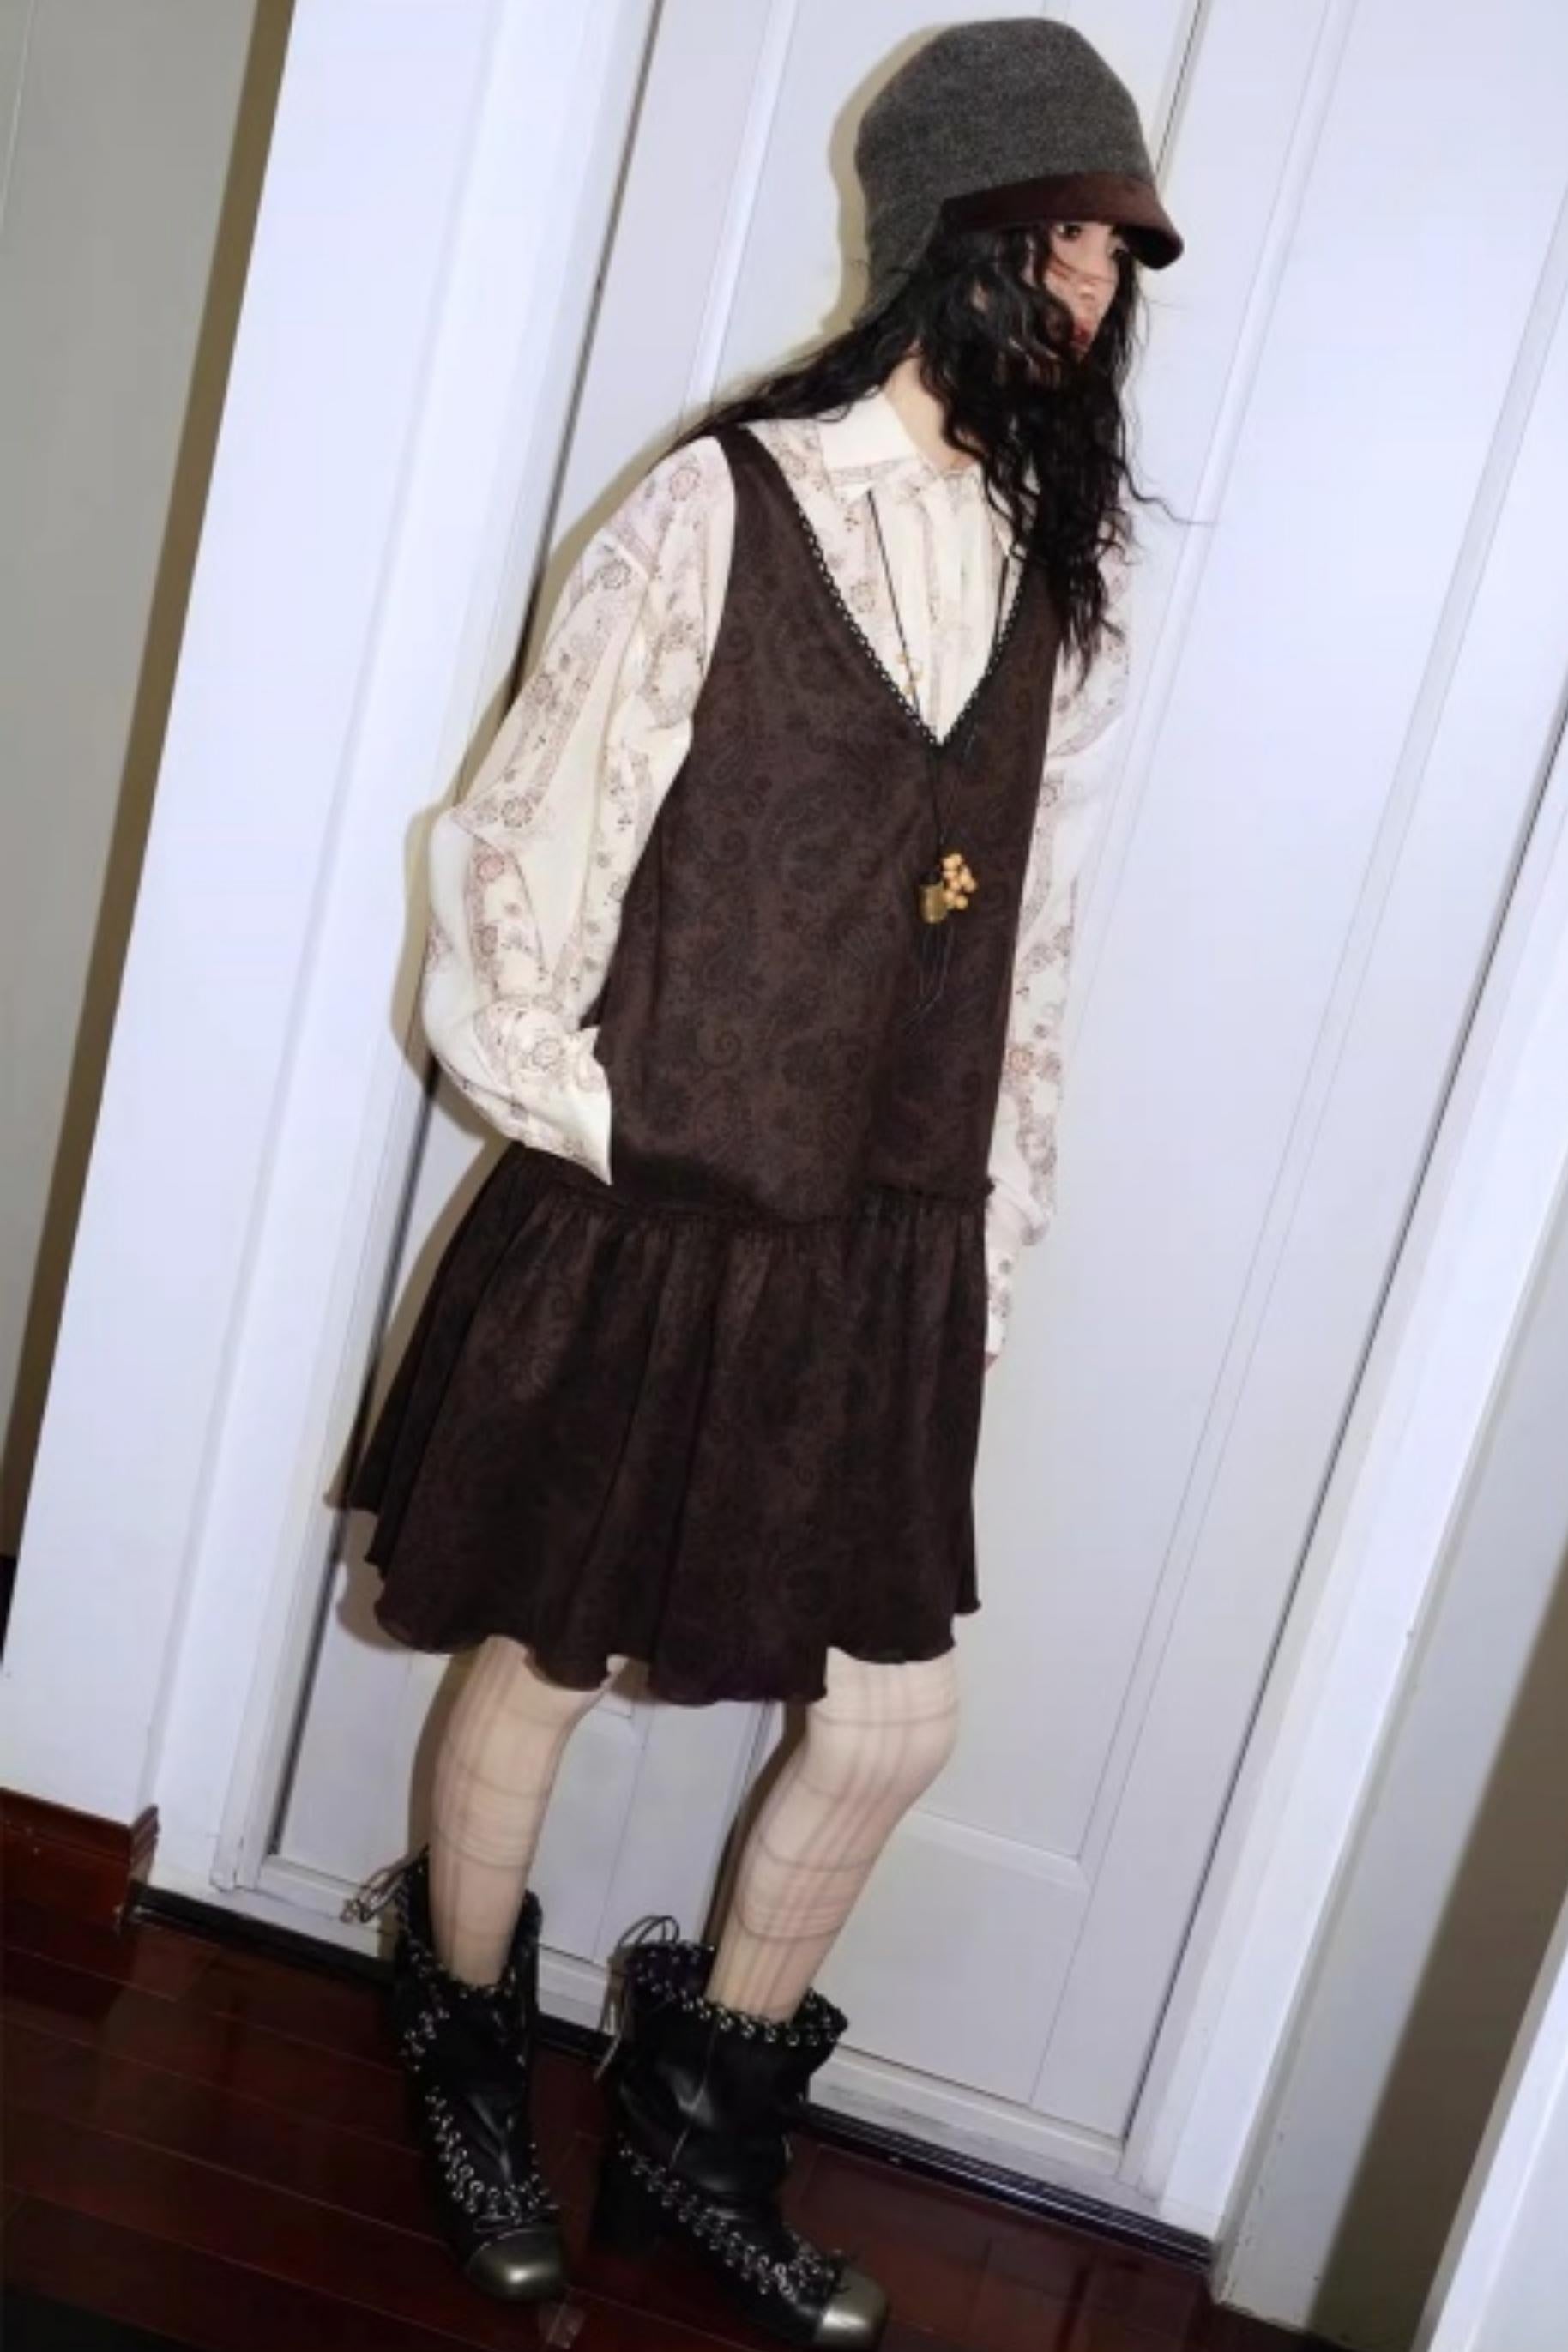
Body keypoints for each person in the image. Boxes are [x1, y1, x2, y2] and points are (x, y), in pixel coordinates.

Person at [341, 17, 1182, 2345]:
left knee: (893, 1717)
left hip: (888, 1242)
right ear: (941, 240)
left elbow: (1031, 943)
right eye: (1058, 239)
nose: (1092, 288)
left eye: (1116, 254)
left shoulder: (1057, 575)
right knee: (544, 1648)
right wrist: (623, 1120)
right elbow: (517, 851)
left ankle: (694, 2124)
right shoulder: (725, 504)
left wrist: (989, 1223)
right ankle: (469, 2052)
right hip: (661, 1212)